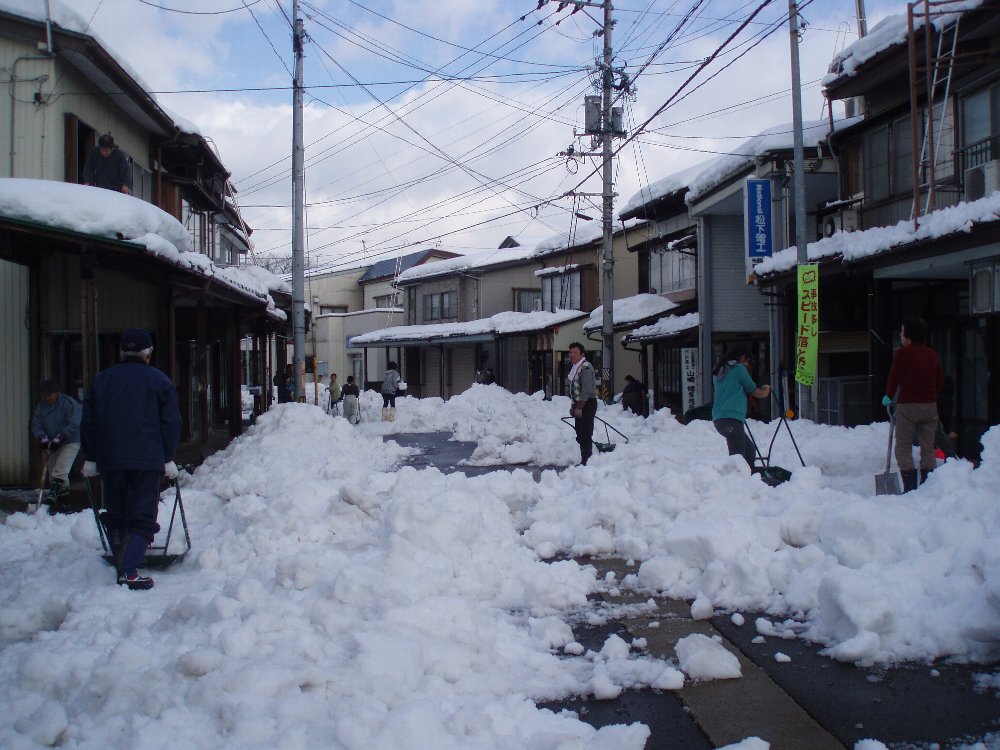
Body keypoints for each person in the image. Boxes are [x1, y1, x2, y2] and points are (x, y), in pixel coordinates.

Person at [81, 328, 181, 591]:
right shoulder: (159, 381)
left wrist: (90, 457)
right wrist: (168, 457)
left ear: (122, 353)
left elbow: (88, 422)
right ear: (148, 354)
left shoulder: (101, 381)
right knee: (142, 516)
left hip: (110, 459)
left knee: (117, 513)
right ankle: (128, 570)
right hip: (147, 460)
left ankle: (121, 559)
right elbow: (171, 422)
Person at [883, 318, 944, 492]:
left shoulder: (903, 353)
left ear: (909, 336)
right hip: (930, 406)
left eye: (902, 332)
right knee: (928, 447)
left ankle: (910, 488)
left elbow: (894, 377)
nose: (901, 335)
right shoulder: (932, 354)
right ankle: (927, 486)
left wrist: (888, 395)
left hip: (909, 405)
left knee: (903, 446)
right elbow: (939, 382)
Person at [711, 346, 770, 467]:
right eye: (748, 362)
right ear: (742, 357)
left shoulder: (720, 369)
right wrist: (766, 390)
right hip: (732, 419)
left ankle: (748, 478)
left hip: (719, 418)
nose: (747, 365)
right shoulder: (738, 369)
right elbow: (753, 390)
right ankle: (737, 481)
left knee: (749, 451)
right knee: (738, 459)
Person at [30, 379, 82, 513]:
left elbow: (75, 423)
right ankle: (66, 506)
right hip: (53, 443)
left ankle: (51, 497)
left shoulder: (68, 404)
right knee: (52, 474)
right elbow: (36, 424)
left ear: (55, 393)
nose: (45, 398)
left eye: (48, 395)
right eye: (43, 395)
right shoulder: (41, 406)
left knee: (61, 469)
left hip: (70, 441)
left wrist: (61, 436)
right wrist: (42, 437)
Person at [566, 342, 598, 465]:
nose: (572, 354)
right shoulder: (576, 368)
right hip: (580, 404)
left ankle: (587, 461)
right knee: (579, 432)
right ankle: (584, 459)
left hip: (588, 403)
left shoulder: (585, 367)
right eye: (571, 352)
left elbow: (587, 388)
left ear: (582, 354)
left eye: (575, 352)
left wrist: (580, 406)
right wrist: (573, 405)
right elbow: (575, 390)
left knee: (585, 433)